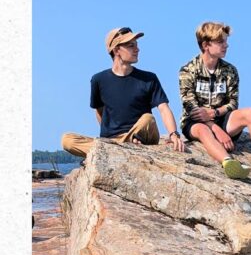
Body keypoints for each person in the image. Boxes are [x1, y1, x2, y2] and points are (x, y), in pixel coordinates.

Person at [178, 21, 251, 186]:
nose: (226, 45)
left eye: (225, 41)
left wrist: (215, 114)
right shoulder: (187, 71)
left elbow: (232, 103)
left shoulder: (230, 71)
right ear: (206, 45)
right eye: (220, 42)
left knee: (250, 112)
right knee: (202, 129)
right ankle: (229, 163)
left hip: (222, 119)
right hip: (195, 123)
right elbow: (192, 108)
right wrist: (215, 129)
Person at [61, 27, 183, 158]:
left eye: (136, 45)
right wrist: (107, 134)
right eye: (131, 46)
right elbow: (99, 111)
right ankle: (119, 148)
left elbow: (164, 109)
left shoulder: (149, 78)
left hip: (141, 134)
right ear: (116, 50)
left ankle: (111, 150)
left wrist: (173, 134)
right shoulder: (98, 80)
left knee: (148, 119)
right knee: (67, 139)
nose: (137, 49)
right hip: (112, 141)